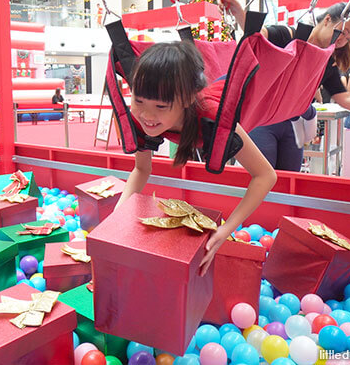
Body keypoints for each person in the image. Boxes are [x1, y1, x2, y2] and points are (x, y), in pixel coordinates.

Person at [114, 42, 277, 275]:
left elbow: (265, 175)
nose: (147, 115)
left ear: (187, 99)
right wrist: (118, 214)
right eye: (139, 101)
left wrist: (225, 230)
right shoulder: (139, 118)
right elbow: (141, 170)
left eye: (161, 106)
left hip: (253, 92)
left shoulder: (214, 118)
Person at [222, 0, 350, 171]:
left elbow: (345, 98)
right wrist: (239, 14)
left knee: (290, 182)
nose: (342, 40)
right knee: (263, 178)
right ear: (328, 20)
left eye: (349, 37)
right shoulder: (288, 36)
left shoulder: (326, 61)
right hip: (262, 122)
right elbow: (258, 36)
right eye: (342, 32)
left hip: (293, 126)